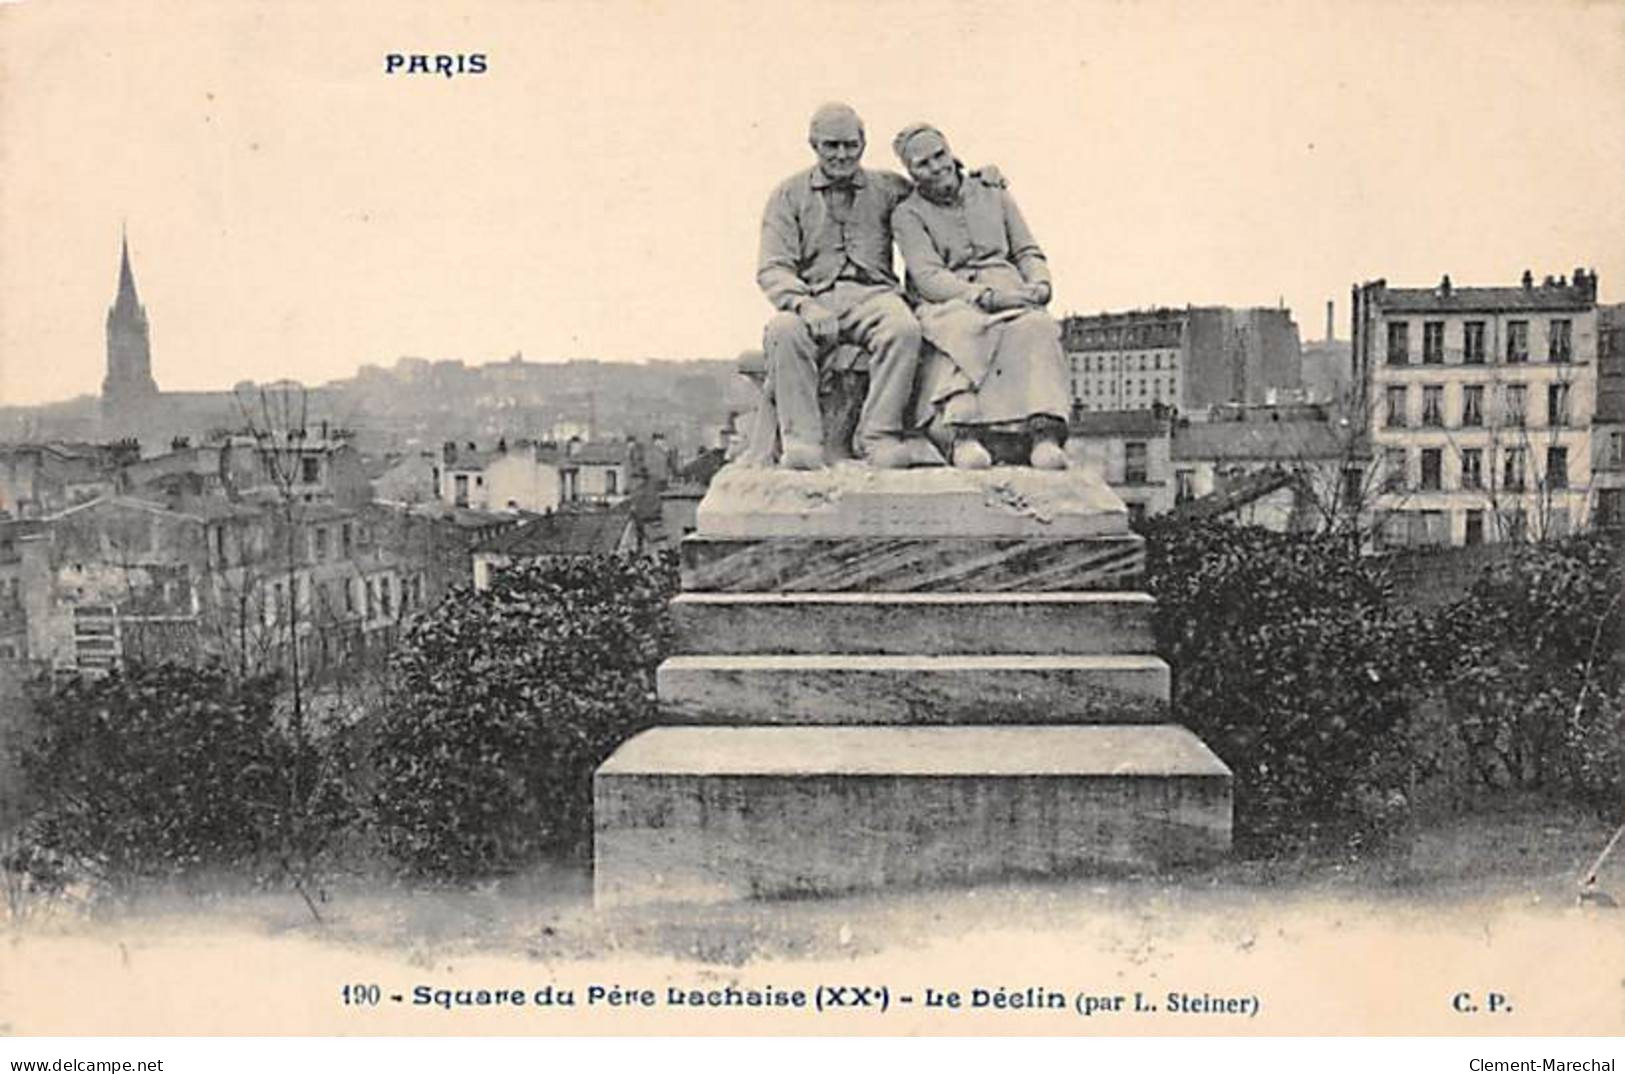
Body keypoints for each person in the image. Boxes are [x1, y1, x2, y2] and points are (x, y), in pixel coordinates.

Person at [749, 102, 939, 470]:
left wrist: (982, 182)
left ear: (864, 142)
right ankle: (802, 441)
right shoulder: (788, 195)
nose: (842, 155)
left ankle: (878, 435)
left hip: (876, 296)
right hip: (814, 298)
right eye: (831, 146)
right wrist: (804, 305)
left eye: (850, 145)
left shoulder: (889, 188)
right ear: (813, 145)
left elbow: (941, 192)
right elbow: (773, 268)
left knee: (903, 329)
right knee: (783, 331)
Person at [890, 123, 1071, 470]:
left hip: (1009, 288)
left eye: (940, 155)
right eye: (923, 163)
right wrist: (983, 297)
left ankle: (1043, 435)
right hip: (948, 300)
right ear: (911, 172)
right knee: (963, 329)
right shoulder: (907, 213)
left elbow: (1027, 250)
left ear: (951, 150)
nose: (936, 167)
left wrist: (1040, 283)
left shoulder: (992, 192)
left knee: (1037, 327)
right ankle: (963, 435)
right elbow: (928, 277)